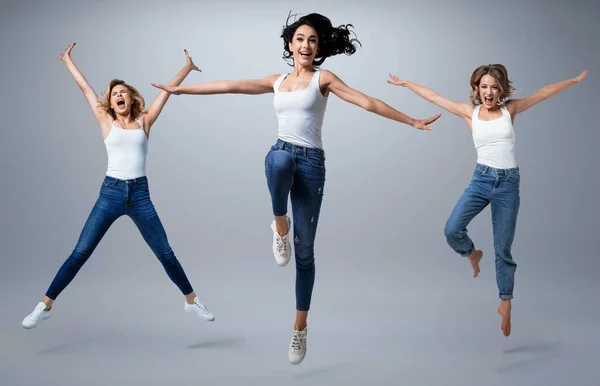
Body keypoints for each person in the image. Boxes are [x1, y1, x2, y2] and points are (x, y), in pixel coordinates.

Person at [152, 12, 440, 364]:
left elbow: (367, 101)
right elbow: (230, 84)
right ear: (290, 44)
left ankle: (299, 329)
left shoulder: (324, 79)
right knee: (279, 160)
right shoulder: (277, 81)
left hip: (313, 166)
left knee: (305, 255)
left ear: (318, 48)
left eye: (313, 40)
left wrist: (411, 120)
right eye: (300, 39)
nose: (306, 45)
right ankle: (279, 225)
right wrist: (181, 90)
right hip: (284, 155)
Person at [21, 43, 215, 330]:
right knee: (80, 252)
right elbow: (86, 89)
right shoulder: (105, 121)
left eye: (123, 92)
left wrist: (186, 69)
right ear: (109, 103)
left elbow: (165, 94)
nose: (119, 96)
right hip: (110, 193)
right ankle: (44, 305)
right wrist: (67, 61)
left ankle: (191, 300)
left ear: (132, 98)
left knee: (165, 253)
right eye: (114, 94)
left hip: (139, 195)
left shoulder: (144, 121)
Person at [388, 64, 588, 337]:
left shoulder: (510, 110)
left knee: (503, 248)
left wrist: (573, 81)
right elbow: (434, 96)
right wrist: (407, 84)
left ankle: (505, 302)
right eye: (484, 87)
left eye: (494, 87)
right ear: (477, 90)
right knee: (452, 229)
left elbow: (543, 93)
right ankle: (472, 254)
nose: (489, 92)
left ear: (501, 90)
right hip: (481, 180)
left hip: (508, 183)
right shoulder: (470, 113)